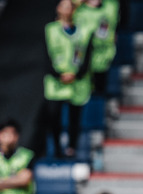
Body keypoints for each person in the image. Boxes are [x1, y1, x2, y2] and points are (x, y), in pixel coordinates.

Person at [43, 0, 93, 158]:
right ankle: (57, 149)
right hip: (56, 82)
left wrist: (76, 74)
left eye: (69, 6)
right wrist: (58, 74)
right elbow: (46, 55)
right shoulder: (50, 30)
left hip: (77, 82)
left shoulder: (84, 30)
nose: (66, 9)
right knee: (54, 117)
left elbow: (87, 54)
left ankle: (72, 147)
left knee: (75, 117)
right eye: (63, 5)